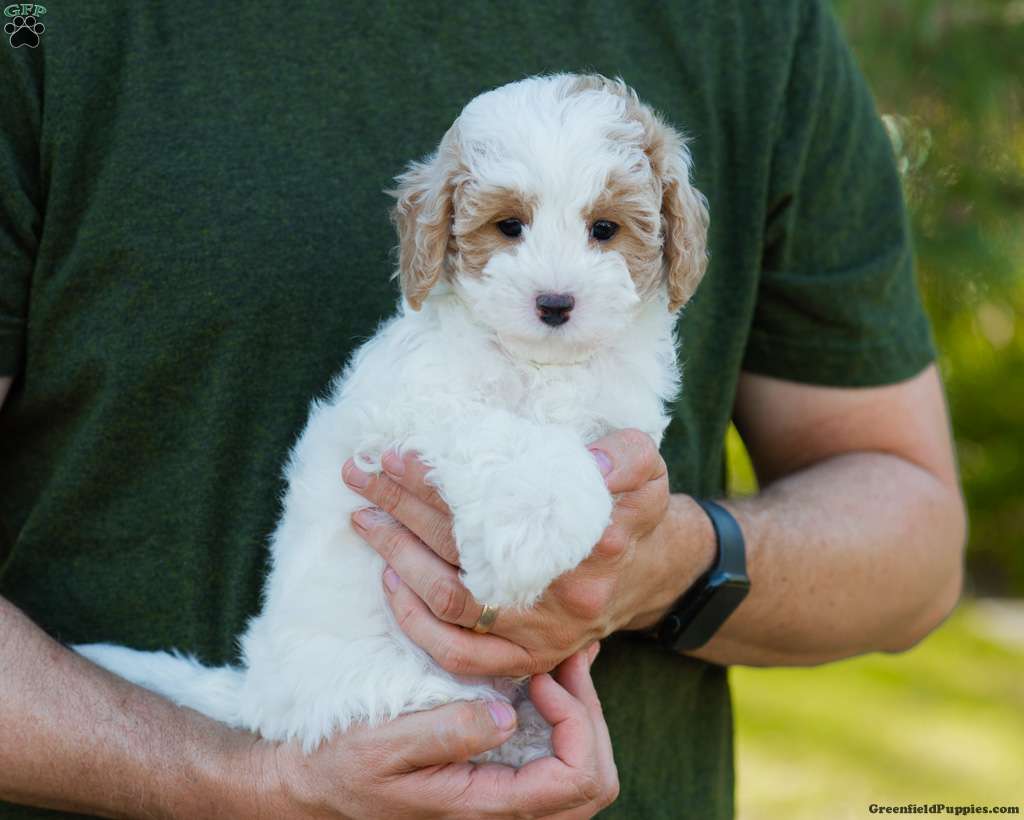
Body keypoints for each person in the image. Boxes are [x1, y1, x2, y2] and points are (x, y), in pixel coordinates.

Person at [0, 1, 966, 817]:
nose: (556, 282)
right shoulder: (35, 25)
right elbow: (503, 527)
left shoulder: (761, 27)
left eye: (604, 229)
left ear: (674, 234)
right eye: (507, 227)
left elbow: (916, 543)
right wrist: (248, 781)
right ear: (437, 234)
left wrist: (666, 561)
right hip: (320, 687)